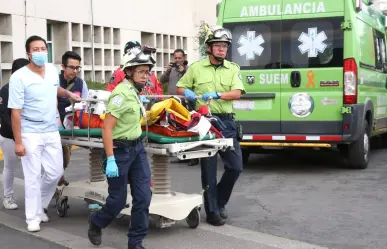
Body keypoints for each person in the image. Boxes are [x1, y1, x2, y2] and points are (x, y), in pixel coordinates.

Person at [8, 35, 81, 232]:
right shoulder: (19, 77)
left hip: (50, 130)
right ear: (28, 53)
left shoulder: (50, 71)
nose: (40, 52)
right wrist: (18, 141)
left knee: (55, 172)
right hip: (30, 131)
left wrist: (68, 94)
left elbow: (53, 88)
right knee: (32, 176)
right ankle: (33, 216)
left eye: (43, 48)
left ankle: (40, 204)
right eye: (36, 49)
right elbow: (15, 111)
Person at [176, 26, 245, 226]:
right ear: (209, 48)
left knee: (235, 167)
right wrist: (186, 92)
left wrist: (218, 95)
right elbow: (181, 86)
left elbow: (238, 92)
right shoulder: (196, 68)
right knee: (209, 169)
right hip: (204, 122)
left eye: (224, 46)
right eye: (218, 46)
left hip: (226, 121)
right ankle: (213, 211)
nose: (222, 49)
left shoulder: (233, 68)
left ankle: (220, 201)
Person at [88, 46, 153, 249]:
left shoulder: (135, 92)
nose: (146, 76)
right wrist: (111, 158)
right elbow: (107, 128)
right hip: (119, 151)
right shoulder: (120, 94)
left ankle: (136, 243)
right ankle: (96, 222)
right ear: (129, 72)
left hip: (137, 149)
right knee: (118, 200)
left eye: (147, 71)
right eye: (141, 71)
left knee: (143, 197)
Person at [0, 58, 29, 210]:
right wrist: (18, 137)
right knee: (10, 166)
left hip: (29, 134)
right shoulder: (5, 90)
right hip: (9, 136)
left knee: (32, 168)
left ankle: (35, 199)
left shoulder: (28, 87)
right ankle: (8, 197)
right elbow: (6, 118)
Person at [57, 51, 89, 186]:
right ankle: (56, 181)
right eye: (72, 67)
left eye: (78, 68)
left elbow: (86, 105)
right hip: (53, 125)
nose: (75, 71)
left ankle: (57, 179)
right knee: (55, 158)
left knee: (65, 158)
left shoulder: (81, 84)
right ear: (63, 67)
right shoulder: (54, 81)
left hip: (70, 126)